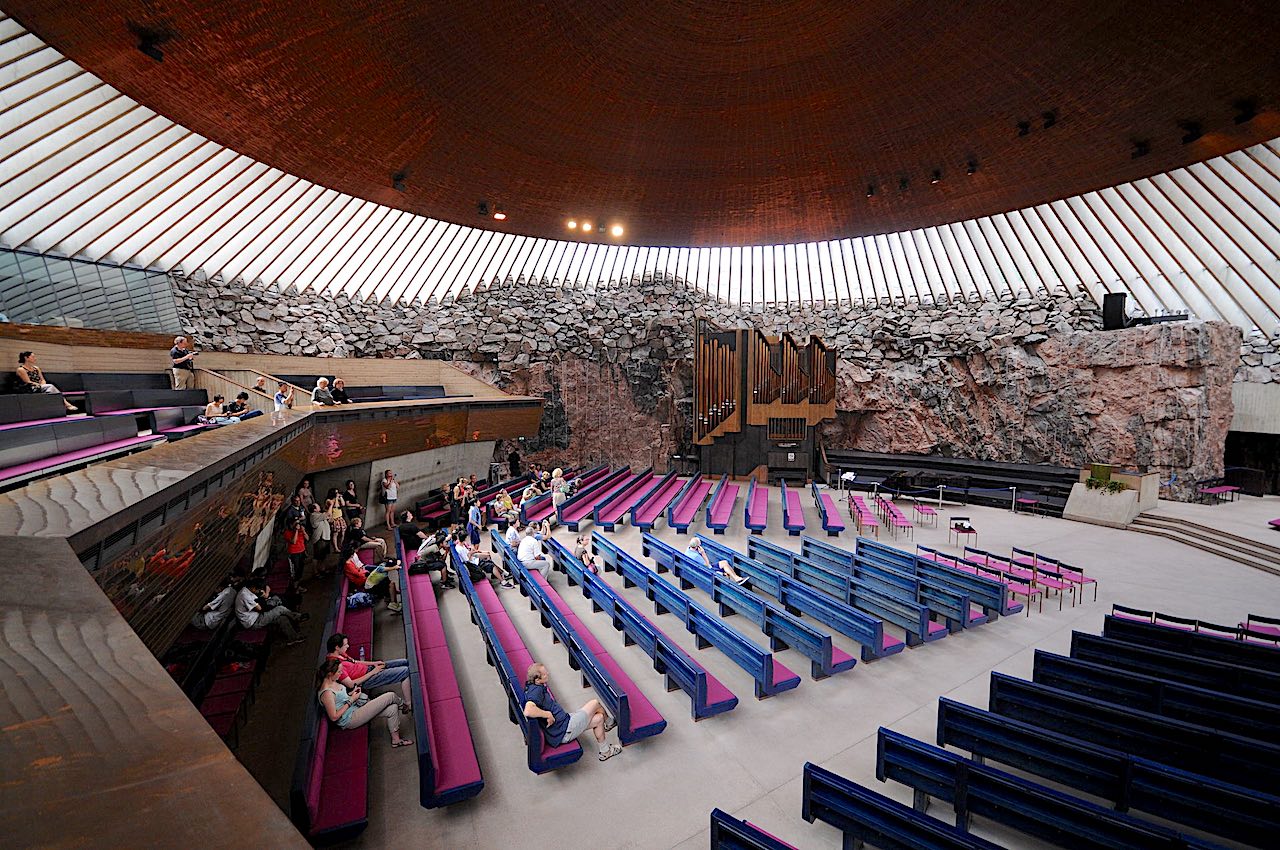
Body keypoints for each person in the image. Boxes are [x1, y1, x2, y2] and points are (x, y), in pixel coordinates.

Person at [523, 663, 621, 761]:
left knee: (599, 718)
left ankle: (605, 751)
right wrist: (547, 714)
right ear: (537, 679)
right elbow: (528, 710)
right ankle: (609, 723)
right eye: (544, 674)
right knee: (595, 703)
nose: (548, 673)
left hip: (564, 723)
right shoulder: (535, 692)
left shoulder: (534, 686)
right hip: (565, 729)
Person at [316, 659, 412, 748]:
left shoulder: (333, 681)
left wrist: (351, 694)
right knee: (390, 696)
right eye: (339, 672)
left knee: (392, 708)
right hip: (350, 718)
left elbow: (341, 699)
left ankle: (396, 740)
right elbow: (334, 717)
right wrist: (351, 700)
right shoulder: (327, 693)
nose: (341, 674)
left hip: (355, 706)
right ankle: (404, 706)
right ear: (330, 674)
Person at [326, 633, 412, 711]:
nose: (348, 646)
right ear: (337, 647)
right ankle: (409, 704)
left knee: (404, 661)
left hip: (370, 669)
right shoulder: (336, 666)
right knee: (404, 671)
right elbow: (351, 684)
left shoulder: (340, 654)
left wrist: (374, 663)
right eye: (345, 645)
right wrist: (373, 672)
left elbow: (355, 661)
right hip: (368, 679)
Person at [235, 577, 306, 644]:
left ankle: (293, 638)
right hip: (254, 622)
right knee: (279, 609)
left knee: (282, 619)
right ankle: (297, 617)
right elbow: (260, 608)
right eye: (258, 590)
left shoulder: (248, 589)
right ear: (253, 588)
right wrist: (265, 596)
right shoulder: (245, 596)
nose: (259, 591)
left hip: (257, 616)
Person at [283, 516, 308, 594]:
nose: (297, 524)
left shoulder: (301, 529)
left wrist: (303, 531)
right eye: (295, 523)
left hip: (302, 551)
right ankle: (294, 588)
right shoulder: (287, 532)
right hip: (294, 553)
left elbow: (307, 538)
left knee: (300, 569)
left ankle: (297, 586)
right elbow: (293, 541)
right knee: (295, 571)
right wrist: (296, 531)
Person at [308, 503, 333, 576]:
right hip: (319, 538)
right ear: (314, 509)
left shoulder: (320, 515)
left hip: (325, 537)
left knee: (324, 555)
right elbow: (328, 514)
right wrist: (331, 505)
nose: (319, 506)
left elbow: (329, 518)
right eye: (317, 506)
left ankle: (323, 569)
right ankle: (315, 571)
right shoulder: (313, 515)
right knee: (317, 556)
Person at [325, 488, 348, 554]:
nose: (337, 493)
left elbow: (343, 504)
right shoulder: (329, 500)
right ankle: (336, 548)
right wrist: (336, 498)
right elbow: (336, 506)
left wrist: (340, 498)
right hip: (334, 519)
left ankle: (341, 546)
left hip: (340, 518)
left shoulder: (337, 499)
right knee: (335, 534)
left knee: (343, 533)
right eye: (336, 493)